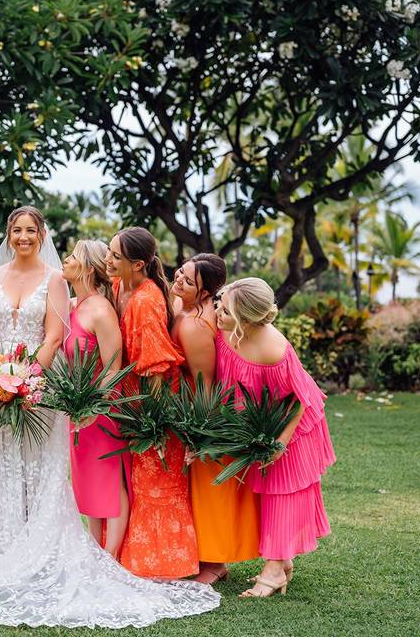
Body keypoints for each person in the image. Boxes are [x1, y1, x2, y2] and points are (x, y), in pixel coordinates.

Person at [0, 210, 220, 628]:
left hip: (36, 391)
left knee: (37, 473)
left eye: (31, 230)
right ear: (8, 235)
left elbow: (52, 335)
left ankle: (39, 550)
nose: (24, 237)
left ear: (42, 235)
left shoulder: (55, 281)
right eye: (16, 230)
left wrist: (25, 376)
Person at [214, 277, 336, 597]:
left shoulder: (274, 349)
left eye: (225, 311)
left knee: (281, 492)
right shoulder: (225, 330)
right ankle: (281, 562)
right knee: (266, 491)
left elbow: (297, 400)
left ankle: (274, 570)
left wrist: (281, 441)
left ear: (247, 320)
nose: (218, 313)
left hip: (292, 423)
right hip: (262, 419)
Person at [107, 227, 199, 579]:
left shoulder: (146, 301)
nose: (109, 260)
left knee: (154, 483)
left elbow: (157, 371)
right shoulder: (119, 286)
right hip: (131, 398)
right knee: (134, 481)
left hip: (154, 402)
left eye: (115, 256)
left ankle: (161, 564)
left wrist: (156, 427)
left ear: (138, 264)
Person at [170, 254, 260, 584]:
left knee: (211, 489)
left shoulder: (196, 325)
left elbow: (205, 383)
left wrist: (201, 433)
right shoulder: (185, 306)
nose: (179, 279)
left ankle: (215, 563)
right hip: (183, 406)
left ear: (206, 292)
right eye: (181, 271)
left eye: (189, 280)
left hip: (204, 412)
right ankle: (202, 556)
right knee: (199, 491)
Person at [61, 239, 130, 558]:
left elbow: (113, 365)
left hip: (102, 408)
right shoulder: (75, 305)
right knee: (86, 481)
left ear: (88, 268)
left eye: (72, 256)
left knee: (109, 482)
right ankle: (93, 548)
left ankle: (111, 555)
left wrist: (95, 407)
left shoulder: (102, 310)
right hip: (77, 408)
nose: (65, 259)